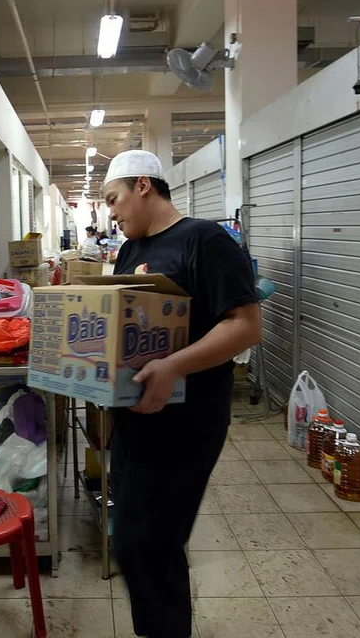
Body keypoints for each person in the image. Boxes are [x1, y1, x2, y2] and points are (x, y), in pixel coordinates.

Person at [102, 150, 262, 638]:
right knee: (130, 539)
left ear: (144, 185)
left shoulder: (205, 240)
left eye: (114, 198)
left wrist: (173, 365)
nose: (110, 211)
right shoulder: (130, 250)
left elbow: (246, 326)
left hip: (187, 423)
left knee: (153, 543)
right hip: (136, 418)